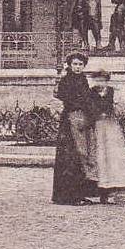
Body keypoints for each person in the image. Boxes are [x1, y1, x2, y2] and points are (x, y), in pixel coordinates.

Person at [52, 51, 100, 205]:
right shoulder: (66, 81)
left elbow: (87, 99)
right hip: (70, 122)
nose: (78, 67)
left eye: (80, 64)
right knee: (71, 157)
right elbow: (68, 99)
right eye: (75, 64)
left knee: (82, 156)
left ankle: (79, 194)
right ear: (70, 65)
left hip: (83, 121)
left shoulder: (83, 80)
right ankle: (67, 196)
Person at [87, 69, 125, 204]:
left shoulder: (112, 92)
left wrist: (115, 110)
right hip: (97, 126)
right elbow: (88, 107)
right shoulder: (91, 93)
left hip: (110, 126)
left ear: (107, 81)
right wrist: (95, 114)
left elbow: (119, 107)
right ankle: (101, 191)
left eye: (103, 80)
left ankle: (116, 189)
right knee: (99, 156)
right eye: (97, 80)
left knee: (112, 156)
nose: (100, 83)